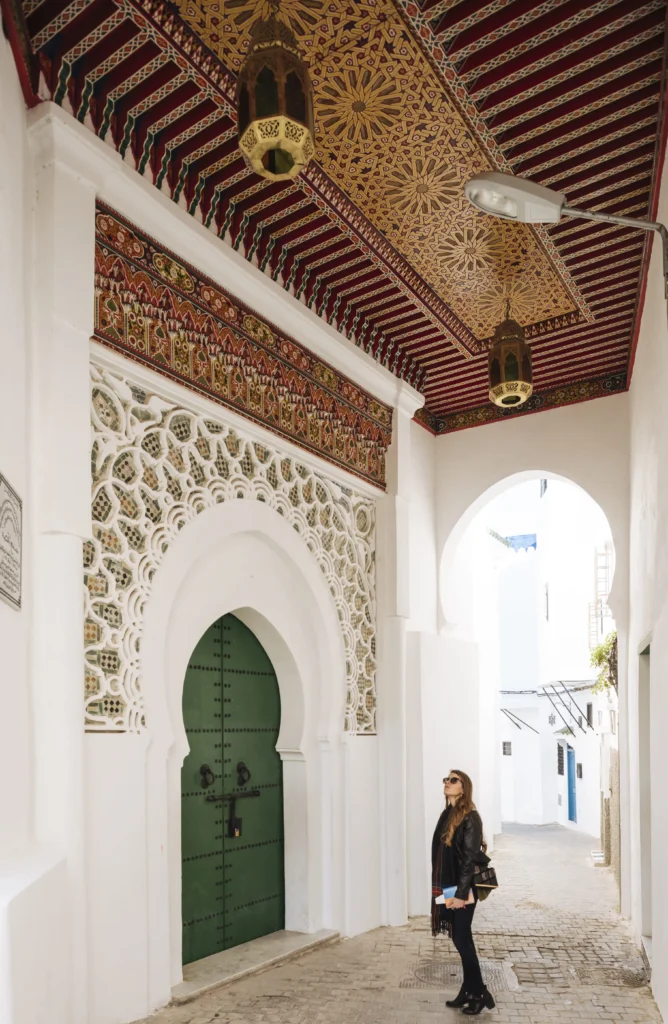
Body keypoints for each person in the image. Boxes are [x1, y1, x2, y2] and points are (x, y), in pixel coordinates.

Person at [431, 770, 495, 1016]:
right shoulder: (447, 815)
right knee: (462, 938)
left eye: (453, 780)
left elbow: (468, 860)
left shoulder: (470, 818)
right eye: (445, 779)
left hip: (462, 888)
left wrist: (459, 894)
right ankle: (469, 991)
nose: (447, 782)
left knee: (461, 939)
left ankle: (478, 993)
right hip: (450, 886)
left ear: (464, 787)